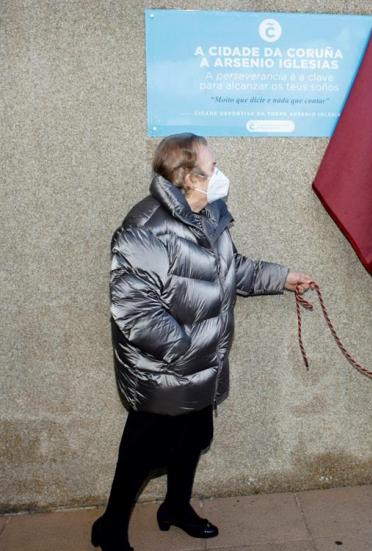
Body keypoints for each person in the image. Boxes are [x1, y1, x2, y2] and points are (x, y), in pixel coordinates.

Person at [92, 133, 314, 551]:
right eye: (213, 168)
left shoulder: (211, 215)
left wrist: (284, 278)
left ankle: (176, 507)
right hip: (162, 370)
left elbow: (234, 270)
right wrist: (190, 351)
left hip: (202, 364)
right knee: (140, 453)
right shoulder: (145, 227)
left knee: (192, 440)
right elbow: (136, 313)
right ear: (187, 177)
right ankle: (110, 528)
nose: (220, 174)